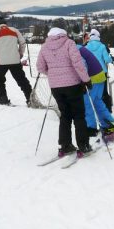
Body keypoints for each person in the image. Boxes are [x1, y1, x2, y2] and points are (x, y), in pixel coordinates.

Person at [36, 27, 93, 158]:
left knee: (65, 115)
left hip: (56, 87)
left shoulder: (44, 47)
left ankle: (65, 145)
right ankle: (83, 145)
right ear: (63, 34)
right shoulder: (69, 43)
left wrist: (53, 75)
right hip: (73, 84)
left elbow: (40, 67)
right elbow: (78, 63)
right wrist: (86, 80)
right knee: (79, 115)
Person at [0, 17, 33, 105]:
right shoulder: (14, 30)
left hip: (1, 62)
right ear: (5, 23)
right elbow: (22, 43)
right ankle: (30, 99)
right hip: (15, 60)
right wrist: (21, 53)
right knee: (22, 80)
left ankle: (3, 99)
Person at [77, 39, 114, 137]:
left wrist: (83, 80)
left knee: (88, 103)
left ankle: (91, 127)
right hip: (100, 75)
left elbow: (82, 65)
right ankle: (109, 123)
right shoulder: (80, 48)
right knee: (96, 101)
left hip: (93, 78)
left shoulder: (74, 50)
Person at [85, 29, 114, 113]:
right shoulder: (102, 46)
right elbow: (106, 59)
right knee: (104, 91)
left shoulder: (86, 47)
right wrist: (111, 59)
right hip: (102, 72)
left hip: (90, 72)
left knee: (92, 91)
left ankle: (93, 110)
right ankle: (108, 109)